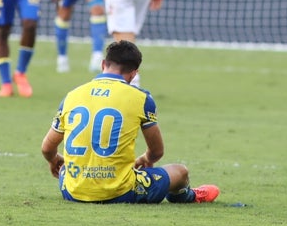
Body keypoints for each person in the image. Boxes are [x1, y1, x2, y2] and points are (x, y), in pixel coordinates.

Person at [40, 39, 220, 204]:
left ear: (103, 64)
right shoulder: (141, 98)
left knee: (68, 169)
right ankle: (188, 196)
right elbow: (157, 151)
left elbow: (47, 148)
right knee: (181, 172)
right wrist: (146, 159)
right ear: (134, 74)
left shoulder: (73, 95)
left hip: (72, 191)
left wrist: (54, 159)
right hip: (120, 192)